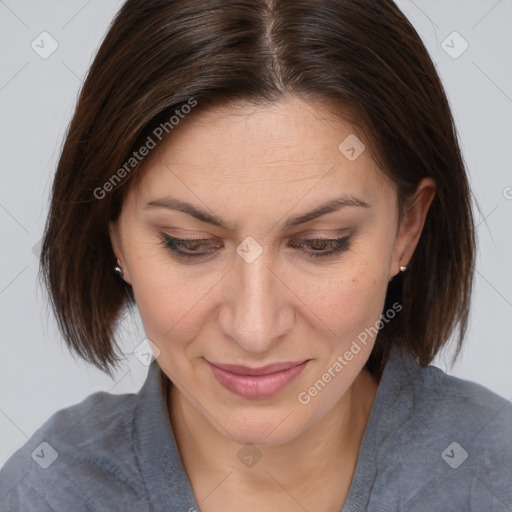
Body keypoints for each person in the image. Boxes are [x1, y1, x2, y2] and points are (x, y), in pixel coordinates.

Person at [1, 0, 510, 510]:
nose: (254, 328)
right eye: (189, 244)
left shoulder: (493, 473)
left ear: (407, 228)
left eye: (321, 244)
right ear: (115, 236)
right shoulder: (47, 491)